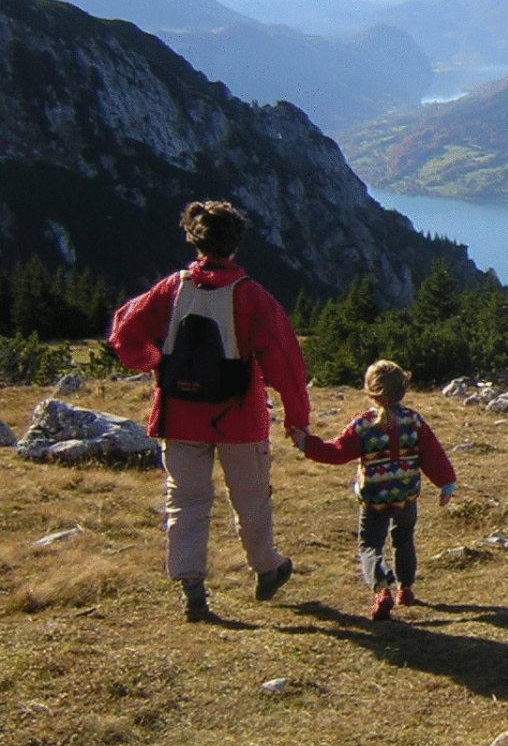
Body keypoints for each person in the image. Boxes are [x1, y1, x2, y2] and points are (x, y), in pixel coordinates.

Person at [109, 200, 310, 622]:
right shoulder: (251, 295)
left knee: (185, 500)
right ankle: (267, 567)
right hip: (240, 416)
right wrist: (297, 418)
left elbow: (124, 333)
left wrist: (156, 363)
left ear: (195, 237)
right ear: (235, 243)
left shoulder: (171, 288)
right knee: (252, 497)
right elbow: (284, 361)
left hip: (179, 414)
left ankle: (192, 589)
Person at [291, 359, 456, 620]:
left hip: (374, 499)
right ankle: (406, 589)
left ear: (370, 391)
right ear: (403, 389)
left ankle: (382, 589)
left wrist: (306, 444)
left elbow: (336, 452)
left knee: (370, 546)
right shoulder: (414, 422)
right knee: (404, 540)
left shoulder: (363, 425)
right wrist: (447, 483)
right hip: (406, 496)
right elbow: (432, 455)